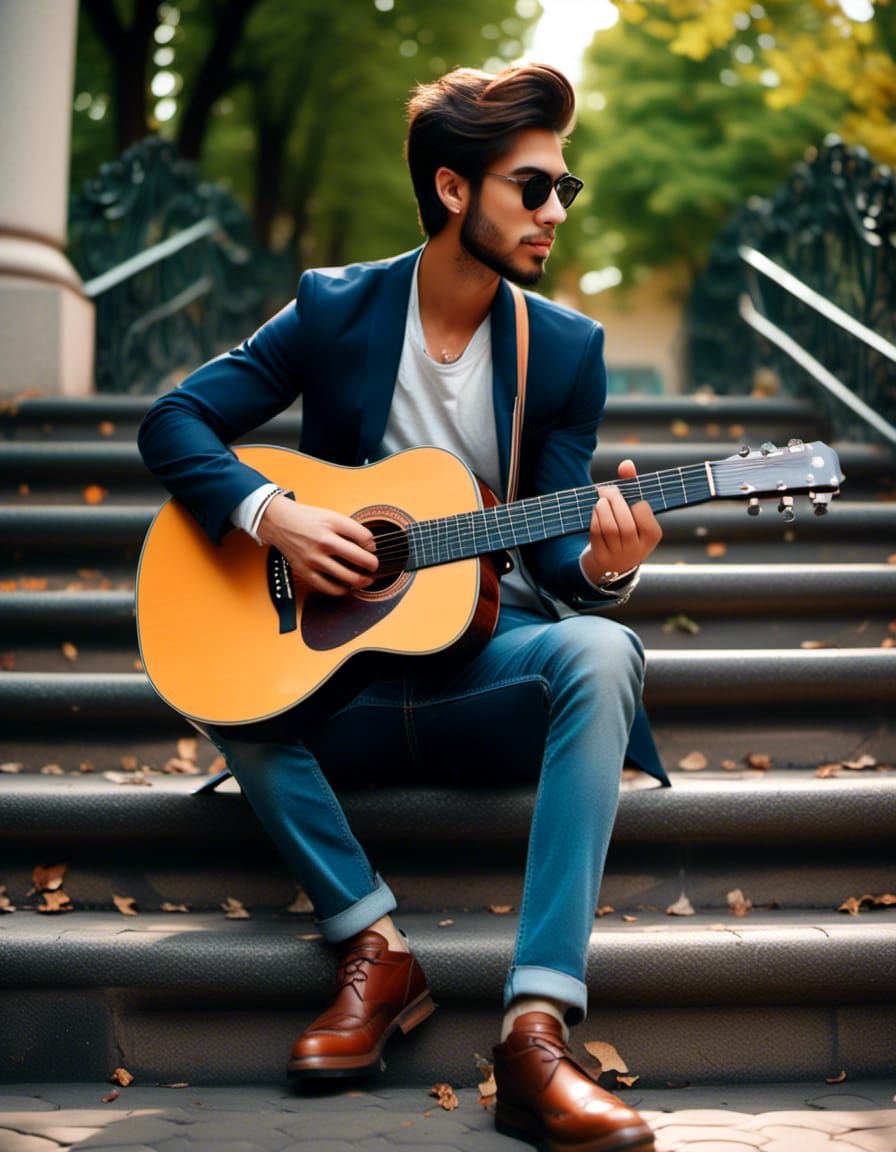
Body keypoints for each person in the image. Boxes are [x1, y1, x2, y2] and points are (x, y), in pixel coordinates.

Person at [139, 61, 666, 1152]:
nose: (556, 211)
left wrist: (606, 566)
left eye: (569, 189)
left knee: (605, 650)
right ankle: (374, 951)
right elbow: (176, 420)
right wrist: (271, 513)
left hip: (488, 666)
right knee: (213, 665)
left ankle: (534, 1033)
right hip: (344, 681)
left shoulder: (564, 352)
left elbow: (560, 551)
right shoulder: (338, 308)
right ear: (452, 189)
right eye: (533, 187)